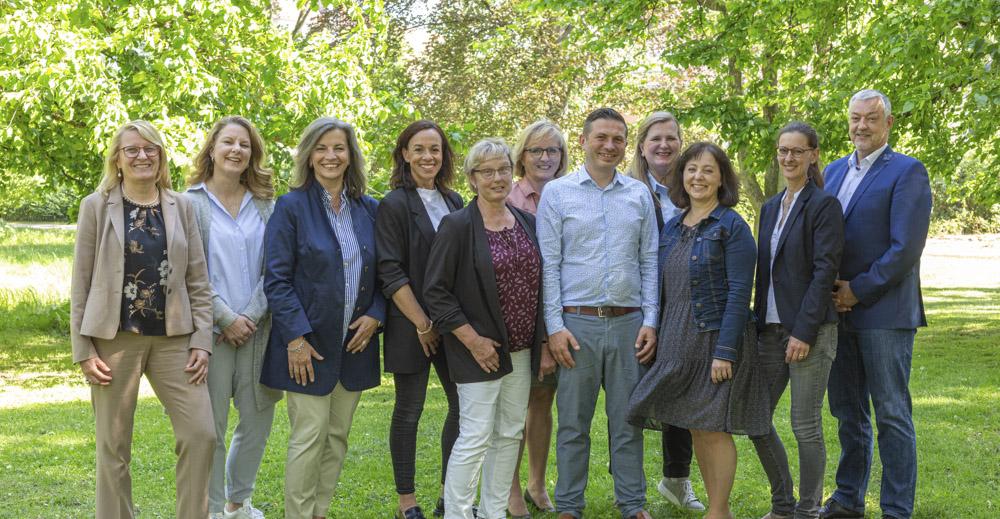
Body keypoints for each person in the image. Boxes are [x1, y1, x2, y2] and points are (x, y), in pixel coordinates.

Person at [71, 119, 216, 518]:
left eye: (150, 148)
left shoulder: (181, 205)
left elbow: (198, 281)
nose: (141, 156)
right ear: (117, 159)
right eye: (131, 149)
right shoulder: (95, 206)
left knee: (201, 434)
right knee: (113, 448)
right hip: (113, 340)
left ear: (161, 156)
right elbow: (80, 283)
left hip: (175, 340)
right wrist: (82, 349)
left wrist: (203, 340)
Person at [625, 142, 770, 519]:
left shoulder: (732, 226)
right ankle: (715, 507)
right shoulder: (672, 227)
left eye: (708, 170)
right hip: (676, 337)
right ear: (681, 176)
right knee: (696, 426)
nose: (698, 177)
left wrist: (725, 351)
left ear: (722, 178)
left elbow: (740, 292)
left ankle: (719, 511)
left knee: (714, 428)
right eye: (691, 169)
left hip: (713, 338)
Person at [536, 108, 658, 519]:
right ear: (584, 140)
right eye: (601, 137)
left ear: (627, 146)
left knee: (627, 422)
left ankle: (633, 506)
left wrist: (650, 321)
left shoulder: (639, 194)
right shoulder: (557, 193)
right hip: (576, 325)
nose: (609, 145)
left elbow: (650, 262)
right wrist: (554, 328)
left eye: (618, 139)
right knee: (572, 424)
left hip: (629, 323)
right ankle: (569, 506)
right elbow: (548, 265)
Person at [260, 116, 385, 519]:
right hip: (307, 347)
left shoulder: (370, 209)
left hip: (355, 344)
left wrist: (377, 316)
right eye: (321, 148)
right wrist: (295, 339)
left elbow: (387, 274)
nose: (330, 156)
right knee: (309, 436)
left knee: (337, 438)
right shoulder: (291, 206)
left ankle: (319, 513)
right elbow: (276, 280)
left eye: (339, 148)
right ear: (309, 156)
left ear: (351, 156)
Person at [819, 90, 931, 519]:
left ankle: (896, 509)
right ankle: (848, 499)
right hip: (835, 312)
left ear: (887, 125)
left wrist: (857, 290)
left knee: (891, 414)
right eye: (854, 118)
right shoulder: (831, 171)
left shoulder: (907, 171)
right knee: (848, 412)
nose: (861, 126)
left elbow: (905, 249)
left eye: (871, 118)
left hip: (883, 311)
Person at [424, 138, 547, 519]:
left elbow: (539, 283)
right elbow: (436, 292)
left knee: (510, 433)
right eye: (487, 171)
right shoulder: (457, 225)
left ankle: (493, 512)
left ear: (514, 172)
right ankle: (458, 514)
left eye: (504, 169)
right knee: (475, 436)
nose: (497, 178)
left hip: (521, 349)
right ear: (472, 179)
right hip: (477, 350)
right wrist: (473, 341)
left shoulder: (527, 221)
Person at [185, 115, 282, 519]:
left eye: (244, 145)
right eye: (228, 142)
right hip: (210, 334)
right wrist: (227, 318)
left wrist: (252, 315)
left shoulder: (266, 204)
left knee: (257, 418)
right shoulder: (188, 203)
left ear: (252, 154)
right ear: (212, 148)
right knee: (211, 426)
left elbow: (278, 266)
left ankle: (237, 502)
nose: (236, 150)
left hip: (260, 329)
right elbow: (188, 271)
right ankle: (207, 509)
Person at [749, 122, 844, 519]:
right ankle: (783, 503)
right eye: (783, 150)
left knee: (805, 425)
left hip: (811, 331)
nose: (789, 157)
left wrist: (803, 332)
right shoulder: (770, 207)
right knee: (755, 418)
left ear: (813, 155)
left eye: (798, 151)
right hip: (769, 330)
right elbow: (764, 271)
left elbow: (825, 273)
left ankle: (806, 510)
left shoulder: (823, 205)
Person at [375, 120, 464, 519]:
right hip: (410, 323)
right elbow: (390, 272)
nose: (428, 156)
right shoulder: (393, 204)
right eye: (420, 149)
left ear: (443, 156)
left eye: (436, 149)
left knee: (462, 407)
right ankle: (406, 502)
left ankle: (450, 494)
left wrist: (445, 322)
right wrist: (422, 324)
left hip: (452, 323)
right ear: (405, 154)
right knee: (408, 409)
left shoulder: (457, 201)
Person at [627, 110, 704, 512]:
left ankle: (676, 479)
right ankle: (629, 484)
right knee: (631, 394)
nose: (664, 145)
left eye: (671, 138)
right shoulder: (626, 190)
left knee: (681, 392)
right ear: (642, 146)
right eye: (656, 138)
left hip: (683, 308)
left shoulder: (693, 187)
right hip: (633, 307)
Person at [504, 120, 567, 518]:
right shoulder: (507, 198)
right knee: (512, 406)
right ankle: (509, 490)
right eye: (536, 150)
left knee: (542, 401)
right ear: (521, 156)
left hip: (558, 316)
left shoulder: (569, 196)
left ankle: (537, 483)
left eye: (553, 151)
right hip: (518, 318)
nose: (544, 158)